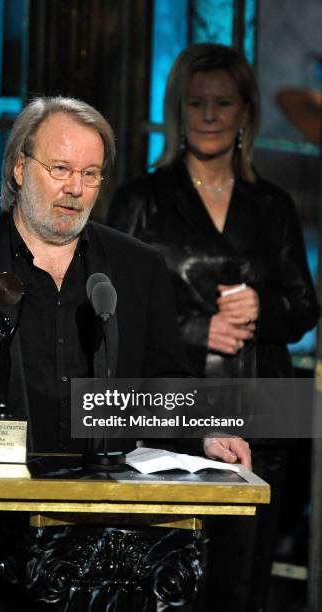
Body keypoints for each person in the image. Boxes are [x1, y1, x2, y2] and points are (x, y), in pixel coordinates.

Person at [0, 96, 250, 611]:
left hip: (113, 545)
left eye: (91, 174)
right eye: (60, 169)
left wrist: (205, 429)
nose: (75, 189)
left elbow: (165, 377)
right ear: (18, 166)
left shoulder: (137, 268)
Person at [106, 44, 319, 612]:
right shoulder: (140, 200)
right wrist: (198, 330)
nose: (208, 115)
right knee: (165, 584)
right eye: (196, 102)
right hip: (169, 411)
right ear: (178, 110)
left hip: (264, 411)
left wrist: (263, 307)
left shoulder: (272, 205)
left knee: (243, 584)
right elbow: (105, 313)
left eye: (222, 102)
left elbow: (305, 309)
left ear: (245, 111)